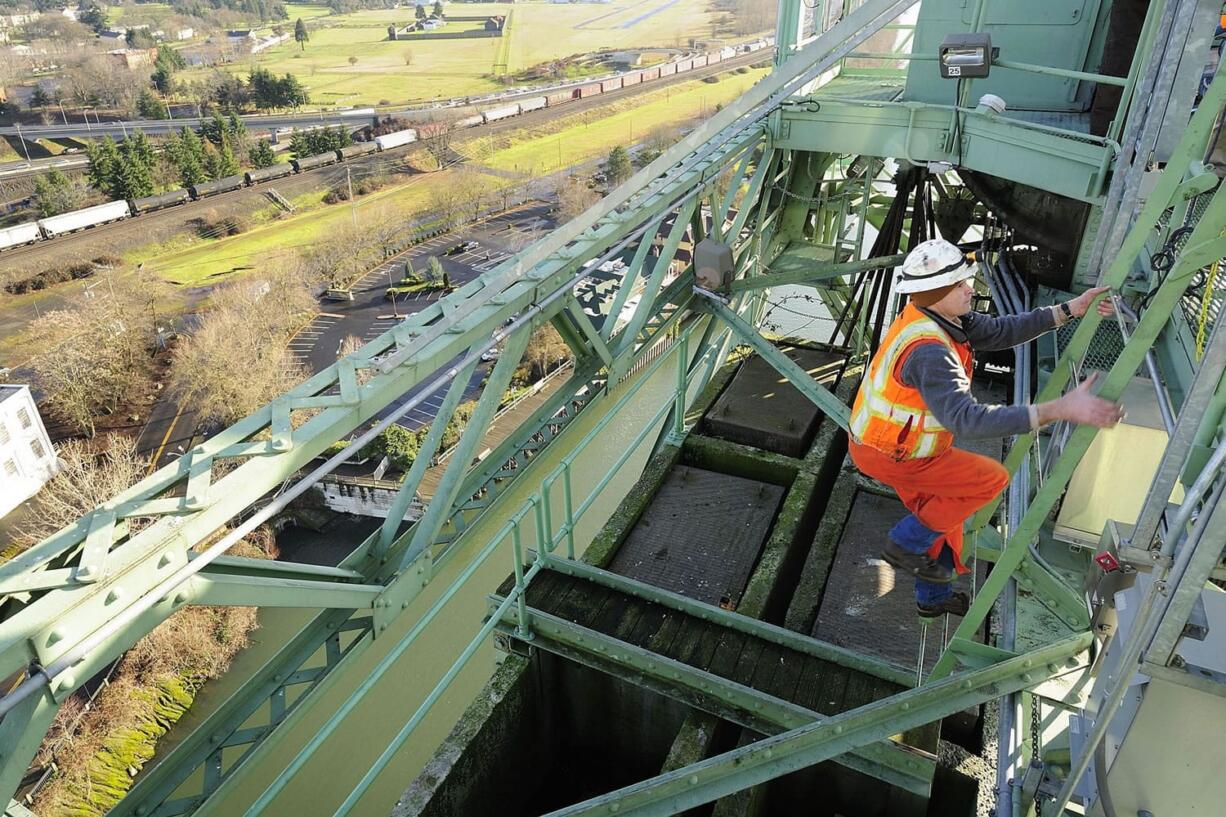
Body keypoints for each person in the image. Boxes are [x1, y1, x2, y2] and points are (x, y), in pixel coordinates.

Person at [848, 238, 1124, 618]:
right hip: (898, 456)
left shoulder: (933, 316)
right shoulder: (929, 350)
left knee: (942, 519)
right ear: (936, 292)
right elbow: (967, 419)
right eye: (960, 284)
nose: (970, 288)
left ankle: (931, 598)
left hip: (889, 445)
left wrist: (1068, 310)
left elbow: (997, 332)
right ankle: (904, 545)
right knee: (987, 479)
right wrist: (1057, 408)